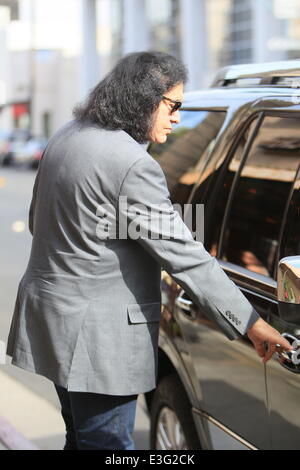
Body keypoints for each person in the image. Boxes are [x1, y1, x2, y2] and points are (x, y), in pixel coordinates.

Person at [6, 51, 292, 451]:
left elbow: (42, 222)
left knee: (80, 438)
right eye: (173, 105)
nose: (177, 117)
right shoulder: (130, 164)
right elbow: (185, 255)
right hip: (97, 343)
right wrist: (251, 323)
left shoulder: (68, 135)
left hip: (54, 323)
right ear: (144, 99)